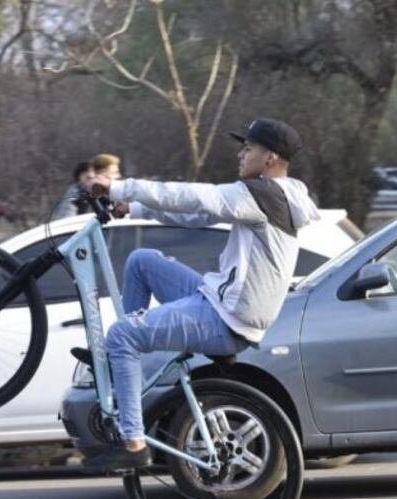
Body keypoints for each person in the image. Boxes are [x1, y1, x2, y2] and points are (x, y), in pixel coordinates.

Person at [84, 118, 321, 471]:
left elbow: (193, 195)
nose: (241, 154)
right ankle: (123, 374)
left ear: (270, 157)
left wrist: (120, 188)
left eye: (248, 148)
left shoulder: (262, 193)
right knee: (141, 262)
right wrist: (133, 209)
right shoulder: (271, 194)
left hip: (227, 319)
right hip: (220, 302)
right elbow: (197, 213)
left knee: (121, 335)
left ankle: (133, 441)